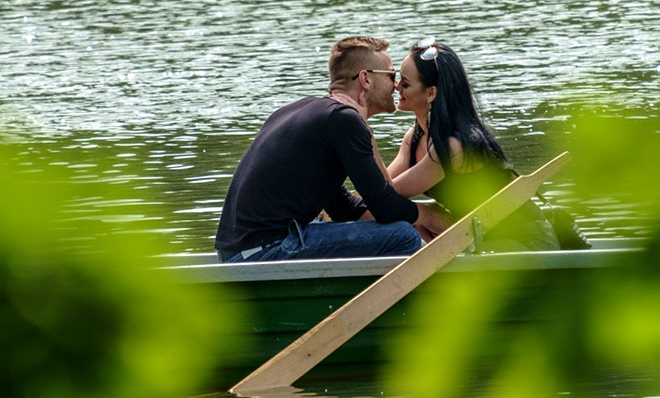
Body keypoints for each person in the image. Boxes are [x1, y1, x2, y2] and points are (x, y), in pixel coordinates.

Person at [215, 36, 438, 263]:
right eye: (391, 76)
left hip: (237, 254)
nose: (397, 85)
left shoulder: (303, 111)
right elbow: (384, 206)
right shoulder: (344, 120)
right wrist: (429, 216)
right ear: (365, 79)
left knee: (394, 229)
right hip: (263, 252)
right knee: (403, 237)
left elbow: (343, 208)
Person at [386, 37, 590, 250]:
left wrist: (366, 139)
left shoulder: (453, 147)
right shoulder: (414, 137)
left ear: (431, 93)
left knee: (414, 213)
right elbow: (380, 189)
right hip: (481, 238)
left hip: (526, 242)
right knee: (411, 216)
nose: (397, 86)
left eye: (406, 83)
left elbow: (387, 197)